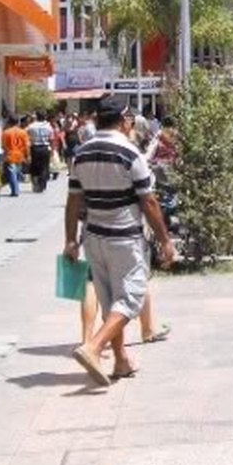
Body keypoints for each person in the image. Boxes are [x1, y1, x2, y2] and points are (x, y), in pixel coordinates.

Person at [65, 96, 175, 386]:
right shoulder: (130, 153)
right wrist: (165, 240)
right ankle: (94, 346)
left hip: (93, 237)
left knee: (110, 300)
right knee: (130, 298)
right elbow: (148, 201)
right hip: (124, 237)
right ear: (124, 121)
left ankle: (121, 360)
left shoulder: (81, 153)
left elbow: (73, 201)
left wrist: (70, 240)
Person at [0, 117, 28, 197]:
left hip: (10, 155)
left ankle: (15, 190)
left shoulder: (6, 133)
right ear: (18, 122)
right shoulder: (23, 132)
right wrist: (27, 155)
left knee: (12, 173)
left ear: (9, 122)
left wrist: (4, 155)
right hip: (20, 155)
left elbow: (3, 146)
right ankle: (16, 188)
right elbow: (26, 145)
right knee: (16, 172)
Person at [26, 111, 53, 192]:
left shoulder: (31, 126)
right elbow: (51, 138)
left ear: (37, 116)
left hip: (35, 147)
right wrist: (51, 149)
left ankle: (36, 184)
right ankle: (43, 184)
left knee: (34, 167)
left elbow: (26, 134)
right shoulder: (48, 126)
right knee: (44, 167)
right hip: (45, 147)